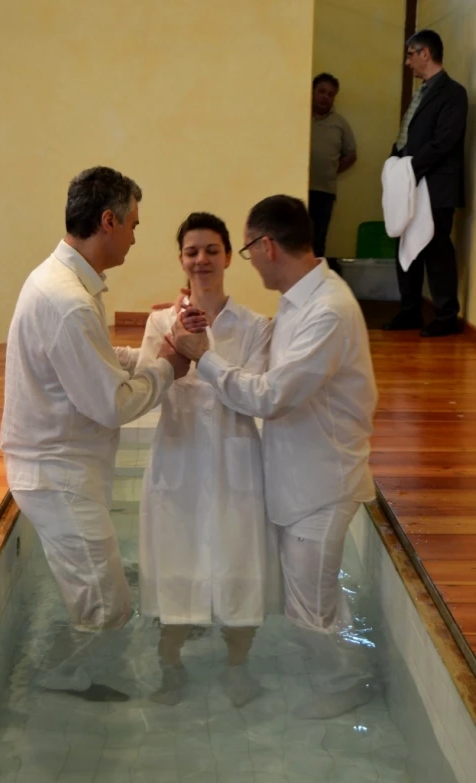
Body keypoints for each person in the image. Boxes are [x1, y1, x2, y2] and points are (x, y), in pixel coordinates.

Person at [171, 195, 378, 719]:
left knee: (309, 607)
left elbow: (269, 396)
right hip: (297, 477)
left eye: (240, 250)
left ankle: (350, 685)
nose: (245, 261)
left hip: (323, 482)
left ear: (265, 246)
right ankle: (341, 668)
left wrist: (205, 358)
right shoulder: (296, 302)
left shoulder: (327, 310)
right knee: (314, 597)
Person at [0, 166, 190, 701]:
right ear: (108, 221)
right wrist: (168, 369)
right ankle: (61, 687)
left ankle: (69, 676)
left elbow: (94, 363)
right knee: (108, 609)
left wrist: (150, 348)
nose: (135, 235)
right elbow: (111, 404)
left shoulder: (65, 283)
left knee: (103, 600)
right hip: (55, 474)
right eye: (133, 224)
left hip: (58, 467)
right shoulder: (68, 301)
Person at [136, 212, 280, 708]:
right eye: (192, 251)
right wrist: (174, 344)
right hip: (177, 462)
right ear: (181, 258)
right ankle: (170, 668)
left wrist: (205, 352)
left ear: (226, 257)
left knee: (240, 564)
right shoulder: (160, 322)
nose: (201, 259)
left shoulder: (256, 326)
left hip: (235, 463)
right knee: (174, 565)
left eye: (212, 250)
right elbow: (148, 394)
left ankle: (237, 668)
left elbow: (255, 397)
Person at [383, 30, 468, 337]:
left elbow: (444, 142)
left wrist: (408, 166)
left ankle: (446, 316)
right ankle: (409, 311)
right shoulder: (421, 92)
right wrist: (394, 164)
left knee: (436, 248)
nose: (407, 62)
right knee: (405, 244)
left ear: (425, 53)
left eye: (410, 54)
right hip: (409, 182)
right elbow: (407, 135)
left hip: (436, 184)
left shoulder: (453, 93)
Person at [309, 73, 357, 259]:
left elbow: (351, 154)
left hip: (324, 192)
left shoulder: (340, 123)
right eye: (321, 91)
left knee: (318, 241)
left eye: (330, 94)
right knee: (294, 241)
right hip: (297, 189)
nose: (325, 97)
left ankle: (317, 285)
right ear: (312, 91)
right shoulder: (298, 117)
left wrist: (331, 170)